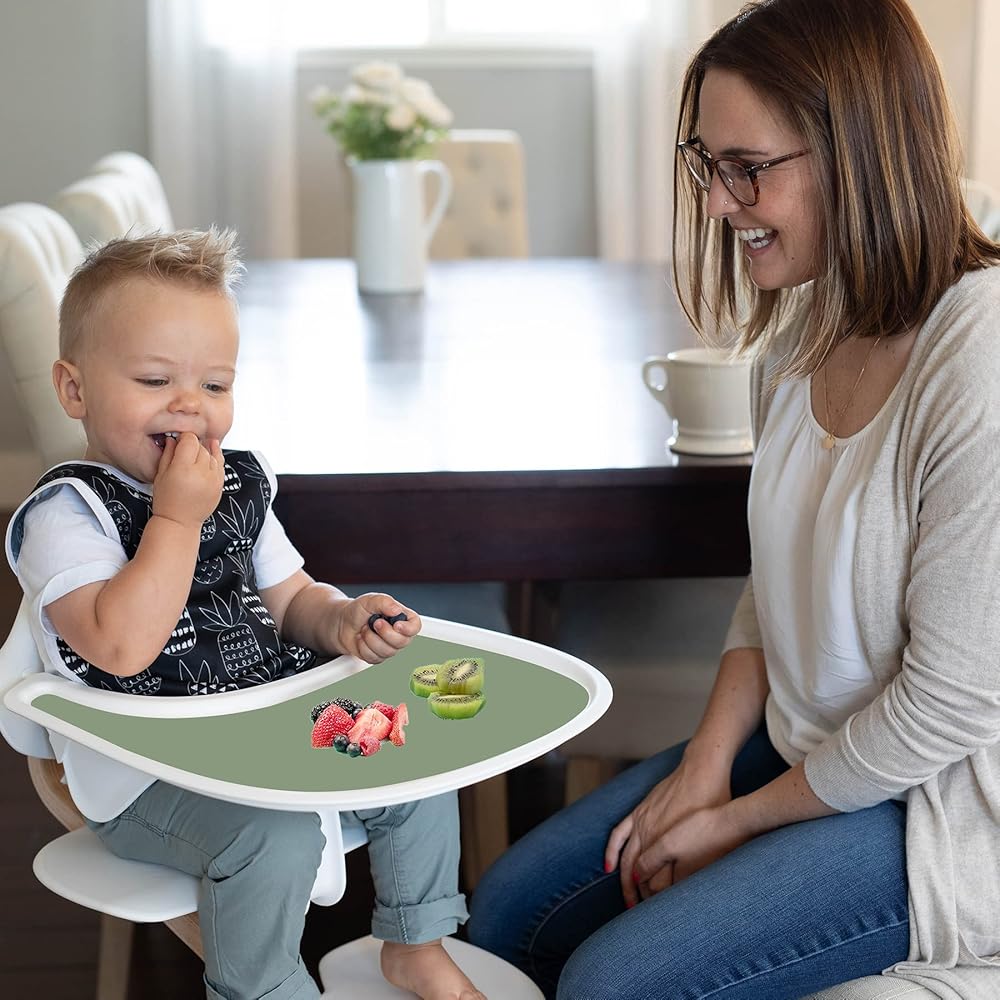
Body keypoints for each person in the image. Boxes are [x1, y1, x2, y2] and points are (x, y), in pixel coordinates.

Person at [466, 1, 1000, 998]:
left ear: (860, 153)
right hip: (804, 751)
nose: (717, 202)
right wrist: (706, 764)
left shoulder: (978, 357)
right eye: (708, 165)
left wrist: (736, 822)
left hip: (938, 811)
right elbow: (775, 581)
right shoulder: (809, 321)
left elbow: (949, 706)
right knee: (507, 913)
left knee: (612, 981)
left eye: (747, 168)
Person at [5, 230, 485, 1000]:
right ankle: (262, 989)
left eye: (215, 385)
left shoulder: (237, 487)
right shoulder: (66, 516)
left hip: (263, 730)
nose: (189, 405)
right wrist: (176, 519)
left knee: (417, 761)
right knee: (276, 834)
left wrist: (341, 619)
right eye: (155, 379)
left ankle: (414, 942)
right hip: (145, 774)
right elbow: (121, 646)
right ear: (75, 390)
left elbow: (290, 597)